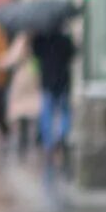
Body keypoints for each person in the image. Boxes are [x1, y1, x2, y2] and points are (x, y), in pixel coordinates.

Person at [31, 27, 77, 157]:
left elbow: (35, 54)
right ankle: (63, 136)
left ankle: (49, 142)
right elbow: (72, 54)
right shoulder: (65, 39)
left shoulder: (41, 40)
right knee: (64, 111)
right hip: (63, 81)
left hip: (48, 81)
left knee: (47, 113)